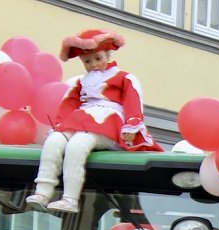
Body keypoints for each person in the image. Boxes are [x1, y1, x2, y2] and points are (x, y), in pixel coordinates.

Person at [26, 28, 162, 214]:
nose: (93, 64)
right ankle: (43, 192)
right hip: (81, 117)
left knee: (77, 145)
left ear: (107, 54)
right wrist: (59, 126)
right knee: (54, 141)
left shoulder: (124, 78)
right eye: (87, 61)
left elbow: (133, 100)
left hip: (107, 121)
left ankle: (70, 198)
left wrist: (132, 123)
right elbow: (68, 104)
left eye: (98, 58)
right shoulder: (80, 83)